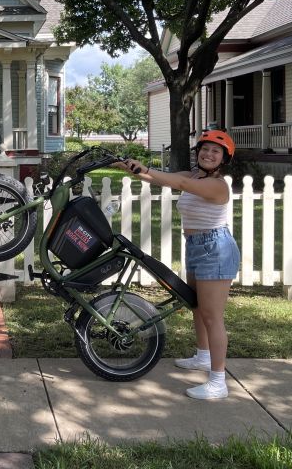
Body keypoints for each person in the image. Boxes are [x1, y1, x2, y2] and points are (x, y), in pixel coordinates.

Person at [117, 130, 239, 400]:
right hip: (197, 246)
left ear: (224, 159)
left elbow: (180, 184)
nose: (208, 154)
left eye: (215, 152)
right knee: (197, 306)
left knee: (212, 316)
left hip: (216, 249)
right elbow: (158, 177)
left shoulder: (219, 186)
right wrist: (124, 164)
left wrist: (146, 168)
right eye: (205, 149)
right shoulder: (193, 175)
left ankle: (218, 381)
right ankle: (203, 356)